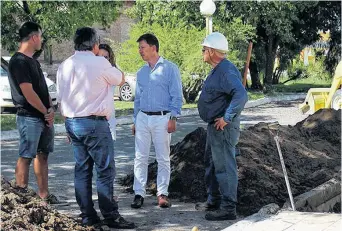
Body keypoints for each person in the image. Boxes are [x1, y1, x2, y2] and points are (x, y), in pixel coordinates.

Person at [56, 27, 135, 229]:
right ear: (95, 44)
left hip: (73, 122)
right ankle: (110, 215)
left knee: (82, 170)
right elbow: (121, 79)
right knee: (105, 170)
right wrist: (102, 58)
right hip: (95, 123)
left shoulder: (65, 65)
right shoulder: (100, 62)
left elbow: (61, 98)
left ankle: (88, 216)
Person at [7, 21, 66, 205]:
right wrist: (44, 111)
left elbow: (42, 89)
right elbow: (28, 92)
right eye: (40, 36)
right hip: (29, 117)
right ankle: (21, 195)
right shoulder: (18, 61)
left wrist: (49, 110)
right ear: (33, 37)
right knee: (26, 155)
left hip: (42, 116)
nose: (41, 40)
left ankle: (44, 195)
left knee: (43, 154)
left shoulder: (33, 61)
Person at [195, 32, 248, 221]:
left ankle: (228, 208)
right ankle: (214, 200)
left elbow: (241, 95)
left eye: (203, 49)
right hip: (215, 127)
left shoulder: (226, 71)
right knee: (212, 163)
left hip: (223, 128)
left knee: (225, 166)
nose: (202, 53)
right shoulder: (218, 69)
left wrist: (226, 117)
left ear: (211, 51)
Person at [131, 33, 183, 209]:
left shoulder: (170, 69)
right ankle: (139, 193)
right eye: (139, 48)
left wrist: (173, 117)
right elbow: (137, 99)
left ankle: (162, 193)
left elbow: (177, 96)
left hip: (163, 117)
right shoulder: (141, 72)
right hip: (143, 118)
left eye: (142, 47)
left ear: (153, 48)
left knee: (162, 157)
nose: (140, 51)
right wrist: (134, 120)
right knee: (140, 157)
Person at [98, 43, 118, 141]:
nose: (102, 60)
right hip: (92, 119)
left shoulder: (113, 72)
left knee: (108, 153)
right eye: (99, 56)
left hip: (108, 118)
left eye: (105, 57)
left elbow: (121, 79)